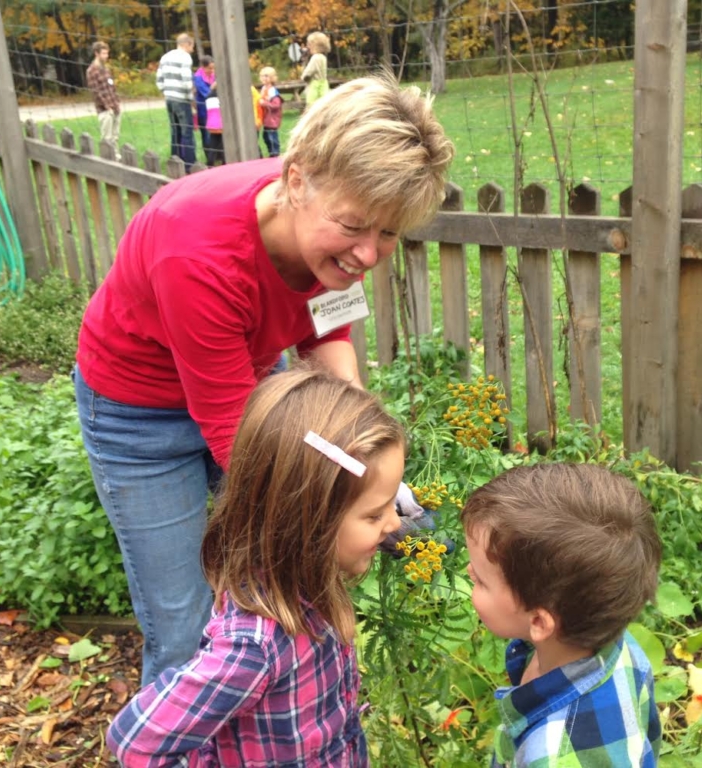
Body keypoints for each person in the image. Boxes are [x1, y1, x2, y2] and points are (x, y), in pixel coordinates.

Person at [73, 73, 454, 688]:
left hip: (249, 384)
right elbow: (234, 434)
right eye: (356, 226)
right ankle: (172, 738)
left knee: (276, 571)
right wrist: (343, 505)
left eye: (388, 233)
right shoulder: (197, 252)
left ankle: (271, 717)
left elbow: (327, 336)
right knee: (183, 617)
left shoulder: (332, 227)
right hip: (138, 414)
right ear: (296, 180)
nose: (367, 253)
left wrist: (369, 464)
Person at [106, 367, 403, 766]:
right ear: (308, 521)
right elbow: (136, 741)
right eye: (374, 514)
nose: (395, 523)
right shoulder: (253, 648)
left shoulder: (311, 581)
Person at [460, 463, 663, 767]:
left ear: (540, 622)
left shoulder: (552, 754)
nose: (469, 571)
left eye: (481, 581)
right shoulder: (623, 648)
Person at [156, 33, 196, 167]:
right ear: (187, 44)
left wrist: (166, 92)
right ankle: (190, 163)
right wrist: (191, 98)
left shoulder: (165, 57)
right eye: (192, 46)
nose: (193, 49)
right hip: (181, 99)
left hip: (169, 98)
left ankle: (175, 160)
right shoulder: (185, 57)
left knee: (175, 130)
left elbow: (159, 80)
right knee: (187, 132)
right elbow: (186, 80)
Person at [85, 41, 121, 161]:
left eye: (107, 53)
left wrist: (116, 103)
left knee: (115, 136)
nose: (106, 56)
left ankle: (116, 157)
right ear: (96, 53)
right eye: (104, 53)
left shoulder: (106, 68)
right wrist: (107, 107)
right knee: (107, 137)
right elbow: (96, 92)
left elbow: (112, 87)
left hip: (115, 106)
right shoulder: (91, 71)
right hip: (104, 109)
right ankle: (107, 158)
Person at [193, 55, 216, 165]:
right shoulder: (198, 78)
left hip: (215, 109)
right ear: (203, 67)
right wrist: (214, 88)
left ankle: (218, 155)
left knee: (217, 133)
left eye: (213, 68)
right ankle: (210, 159)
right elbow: (206, 93)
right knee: (206, 134)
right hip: (203, 110)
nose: (212, 71)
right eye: (209, 68)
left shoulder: (214, 75)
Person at [301, 31, 331, 109]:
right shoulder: (323, 57)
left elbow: (309, 71)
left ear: (315, 45)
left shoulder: (315, 57)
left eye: (309, 44)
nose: (308, 46)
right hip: (324, 83)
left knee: (311, 106)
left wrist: (303, 77)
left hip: (314, 85)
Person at [259, 66, 283, 157]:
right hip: (266, 119)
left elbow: (276, 105)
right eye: (262, 76)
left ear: (272, 78)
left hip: (272, 119)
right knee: (266, 137)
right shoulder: (263, 89)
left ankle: (275, 154)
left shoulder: (273, 91)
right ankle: (271, 152)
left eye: (266, 76)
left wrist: (264, 103)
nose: (264, 78)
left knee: (272, 138)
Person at [203, 84, 224, 167]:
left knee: (213, 143)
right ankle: (224, 160)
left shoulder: (208, 97)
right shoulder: (221, 97)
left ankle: (210, 161)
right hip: (221, 122)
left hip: (211, 123)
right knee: (223, 143)